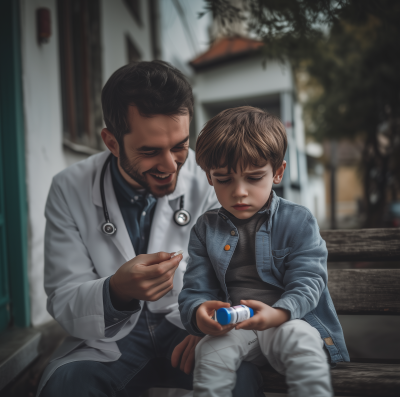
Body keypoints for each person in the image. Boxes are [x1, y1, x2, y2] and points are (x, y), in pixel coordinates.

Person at [37, 62, 264, 397]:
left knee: (236, 379)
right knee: (67, 386)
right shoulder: (68, 188)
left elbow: (246, 276)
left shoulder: (214, 180)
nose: (171, 166)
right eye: (150, 151)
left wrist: (209, 323)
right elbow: (64, 296)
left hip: (189, 329)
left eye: (179, 146)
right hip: (110, 340)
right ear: (112, 143)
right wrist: (116, 291)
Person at [179, 106, 350, 397]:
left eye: (254, 178)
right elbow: (196, 288)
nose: (239, 191)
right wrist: (198, 314)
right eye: (224, 179)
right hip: (238, 326)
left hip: (290, 321)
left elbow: (309, 281)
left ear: (278, 172)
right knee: (209, 352)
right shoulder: (205, 228)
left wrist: (278, 313)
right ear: (209, 177)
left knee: (302, 345)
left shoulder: (298, 220)